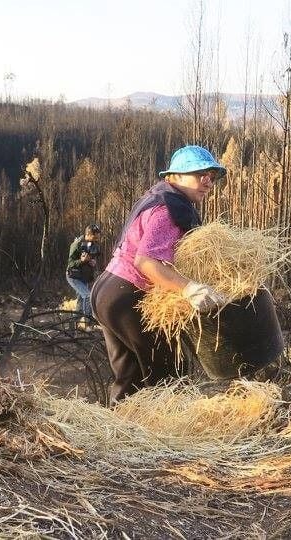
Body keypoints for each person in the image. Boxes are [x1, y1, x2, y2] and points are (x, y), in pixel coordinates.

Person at [91, 145, 228, 404]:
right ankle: (170, 437)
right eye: (200, 174)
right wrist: (189, 288)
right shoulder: (169, 208)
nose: (208, 182)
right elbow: (146, 262)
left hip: (106, 292)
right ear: (174, 176)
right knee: (170, 372)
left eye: (211, 176)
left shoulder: (156, 197)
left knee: (128, 377)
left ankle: (119, 437)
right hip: (127, 295)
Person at [65, 224, 102, 325]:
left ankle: (73, 326)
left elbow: (94, 256)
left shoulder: (93, 244)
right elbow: (71, 263)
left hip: (83, 277)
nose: (96, 239)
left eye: (97, 237)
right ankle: (88, 323)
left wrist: (93, 262)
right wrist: (81, 261)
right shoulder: (77, 244)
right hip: (73, 276)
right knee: (87, 295)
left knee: (81, 303)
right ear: (88, 234)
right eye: (94, 237)